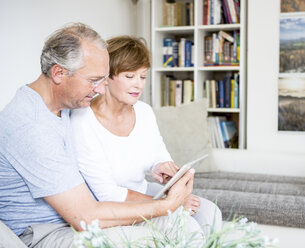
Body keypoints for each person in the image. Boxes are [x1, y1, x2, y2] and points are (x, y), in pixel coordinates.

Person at [0, 23, 200, 248]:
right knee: (155, 236)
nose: (101, 90)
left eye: (103, 80)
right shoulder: (32, 125)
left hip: (75, 221)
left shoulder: (62, 107)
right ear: (58, 73)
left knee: (184, 227)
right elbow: (85, 216)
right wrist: (167, 205)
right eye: (93, 80)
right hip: (46, 232)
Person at [70, 35, 222, 235]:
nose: (139, 85)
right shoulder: (83, 120)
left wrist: (162, 166)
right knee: (184, 224)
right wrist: (168, 204)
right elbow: (107, 193)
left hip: (142, 192)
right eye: (130, 76)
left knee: (210, 212)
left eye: (142, 77)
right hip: (111, 206)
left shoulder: (143, 111)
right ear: (106, 77)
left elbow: (158, 154)